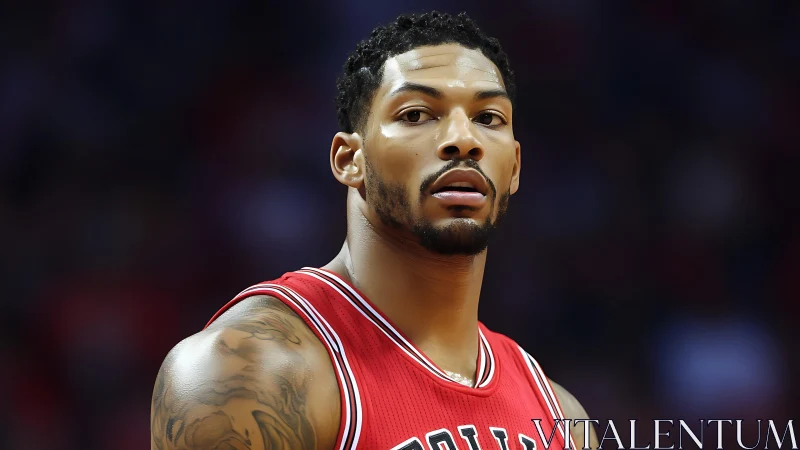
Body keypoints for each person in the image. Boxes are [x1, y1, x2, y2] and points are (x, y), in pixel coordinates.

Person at [151, 11, 600, 450]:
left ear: (515, 167)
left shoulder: (562, 419)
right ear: (350, 160)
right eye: (416, 114)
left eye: (488, 118)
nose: (464, 139)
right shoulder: (248, 371)